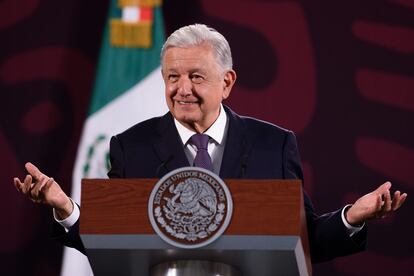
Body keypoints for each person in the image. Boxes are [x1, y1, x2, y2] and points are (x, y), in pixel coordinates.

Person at [14, 24, 407, 263]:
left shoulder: (274, 144)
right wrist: (66, 209)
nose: (181, 89)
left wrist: (352, 217)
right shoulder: (130, 146)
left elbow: (304, 241)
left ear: (227, 82)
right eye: (172, 77)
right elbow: (112, 238)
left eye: (196, 77)